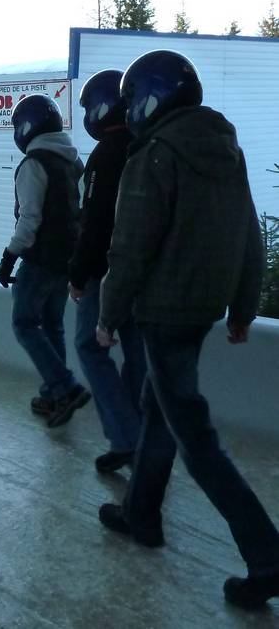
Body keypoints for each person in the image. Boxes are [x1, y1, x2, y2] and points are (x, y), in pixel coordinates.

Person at [96, 50, 279, 609]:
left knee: (195, 439)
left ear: (149, 99)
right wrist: (243, 308)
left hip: (164, 311)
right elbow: (248, 233)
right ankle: (142, 513)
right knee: (160, 408)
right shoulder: (225, 149)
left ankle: (268, 558)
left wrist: (107, 317)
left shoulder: (153, 155)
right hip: (202, 310)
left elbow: (129, 249)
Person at [0, 94, 90, 428]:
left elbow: (29, 219)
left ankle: (65, 387)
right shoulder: (74, 162)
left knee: (24, 324)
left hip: (39, 260)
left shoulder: (33, 164)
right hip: (67, 259)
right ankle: (54, 395)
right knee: (52, 325)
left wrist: (9, 257)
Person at [68, 70, 145, 473]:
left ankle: (125, 436)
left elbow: (95, 221)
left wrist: (78, 274)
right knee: (137, 354)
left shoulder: (106, 154)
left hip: (106, 273)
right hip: (143, 274)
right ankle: (140, 439)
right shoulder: (144, 146)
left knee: (89, 346)